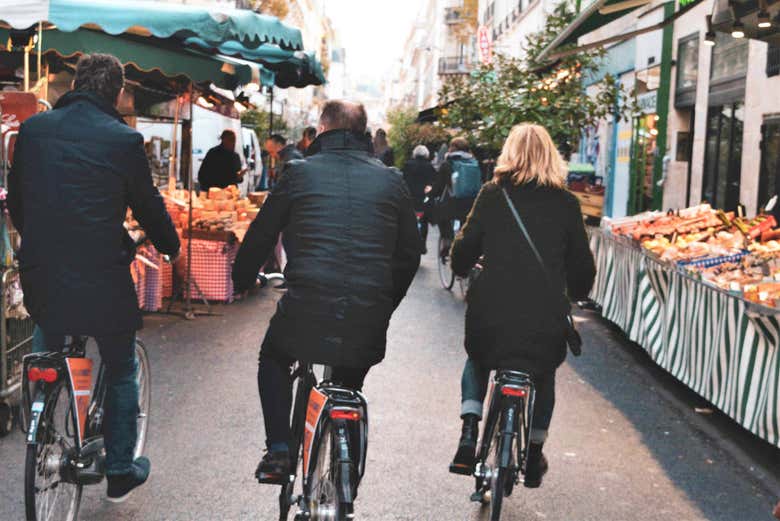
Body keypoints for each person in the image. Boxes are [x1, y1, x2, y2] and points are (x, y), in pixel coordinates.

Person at [7, 53, 180, 502]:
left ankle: (39, 420)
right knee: (121, 367)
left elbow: (18, 201)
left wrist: (41, 242)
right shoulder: (123, 140)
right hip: (101, 276)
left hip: (43, 271)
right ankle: (120, 469)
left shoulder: (34, 130)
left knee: (49, 335)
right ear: (118, 93)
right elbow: (147, 206)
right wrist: (171, 245)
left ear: (77, 83)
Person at [232, 100, 421, 481]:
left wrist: (242, 279)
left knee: (273, 356)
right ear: (364, 134)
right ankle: (345, 469)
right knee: (349, 378)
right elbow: (410, 253)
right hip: (368, 313)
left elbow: (261, 236)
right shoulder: (391, 180)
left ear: (322, 130)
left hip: (305, 307)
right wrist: (386, 300)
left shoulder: (299, 174)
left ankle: (280, 451)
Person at [447, 124, 595, 488]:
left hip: (491, 311)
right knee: (543, 373)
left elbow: (463, 250)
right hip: (544, 316)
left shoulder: (492, 195)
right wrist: (576, 292)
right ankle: (534, 451)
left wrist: (462, 266)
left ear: (508, 154)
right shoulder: (566, 203)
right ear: (551, 156)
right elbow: (582, 265)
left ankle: (469, 431)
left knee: (478, 358)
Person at [428, 137, 482, 254]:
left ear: (452, 148)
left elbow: (438, 188)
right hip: (471, 202)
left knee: (441, 214)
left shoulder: (447, 164)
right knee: (466, 226)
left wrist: (430, 193)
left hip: (453, 203)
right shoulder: (474, 163)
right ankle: (466, 245)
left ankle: (447, 241)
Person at [402, 145, 437, 253]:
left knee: (408, 222)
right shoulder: (429, 166)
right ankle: (422, 245)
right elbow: (433, 182)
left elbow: (402, 180)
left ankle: (407, 244)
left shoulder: (408, 165)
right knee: (424, 221)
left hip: (410, 198)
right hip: (423, 199)